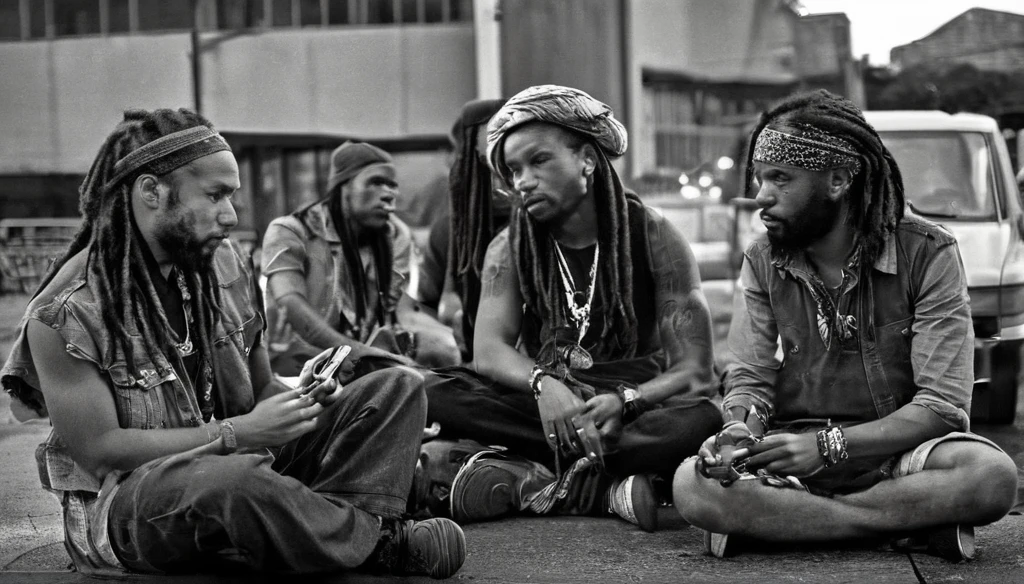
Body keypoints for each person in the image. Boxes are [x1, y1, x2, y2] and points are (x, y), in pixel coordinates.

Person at [0, 109, 466, 578]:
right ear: (151, 192)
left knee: (397, 387)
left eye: (232, 196)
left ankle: (317, 530)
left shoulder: (224, 264)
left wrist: (301, 403)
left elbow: (260, 388)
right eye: (216, 195)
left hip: (245, 458)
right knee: (232, 483)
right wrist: (237, 434)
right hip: (131, 505)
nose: (232, 215)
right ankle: (373, 538)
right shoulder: (64, 312)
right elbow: (101, 452)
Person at [672, 90, 1018, 561]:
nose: (761, 197)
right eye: (759, 179)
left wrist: (832, 445)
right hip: (791, 448)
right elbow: (750, 377)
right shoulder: (762, 259)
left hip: (899, 453)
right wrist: (737, 432)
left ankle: (784, 522)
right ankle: (899, 525)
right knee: (692, 485)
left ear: (837, 181)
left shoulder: (928, 253)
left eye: (780, 179)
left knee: (990, 475)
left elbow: (942, 404)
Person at [422, 85, 723, 532]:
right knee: (430, 390)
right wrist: (544, 384)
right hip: (546, 401)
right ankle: (603, 489)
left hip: (632, 404)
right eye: (513, 169)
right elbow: (488, 350)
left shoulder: (653, 234)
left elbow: (696, 369)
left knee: (702, 419)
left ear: (585, 159)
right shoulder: (509, 246)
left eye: (538, 161)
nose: (522, 180)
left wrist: (628, 400)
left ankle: (529, 475)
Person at [262, 141, 460, 376]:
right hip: (296, 366)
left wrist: (446, 340)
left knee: (442, 349)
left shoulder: (394, 234)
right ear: (343, 187)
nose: (389, 194)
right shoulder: (291, 231)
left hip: (367, 360)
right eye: (376, 182)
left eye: (392, 185)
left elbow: (399, 312)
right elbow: (293, 309)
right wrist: (359, 353)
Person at [415, 98, 509, 360]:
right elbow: (428, 306)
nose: (503, 177)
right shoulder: (449, 230)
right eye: (485, 164)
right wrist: (441, 333)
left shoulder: (548, 222)